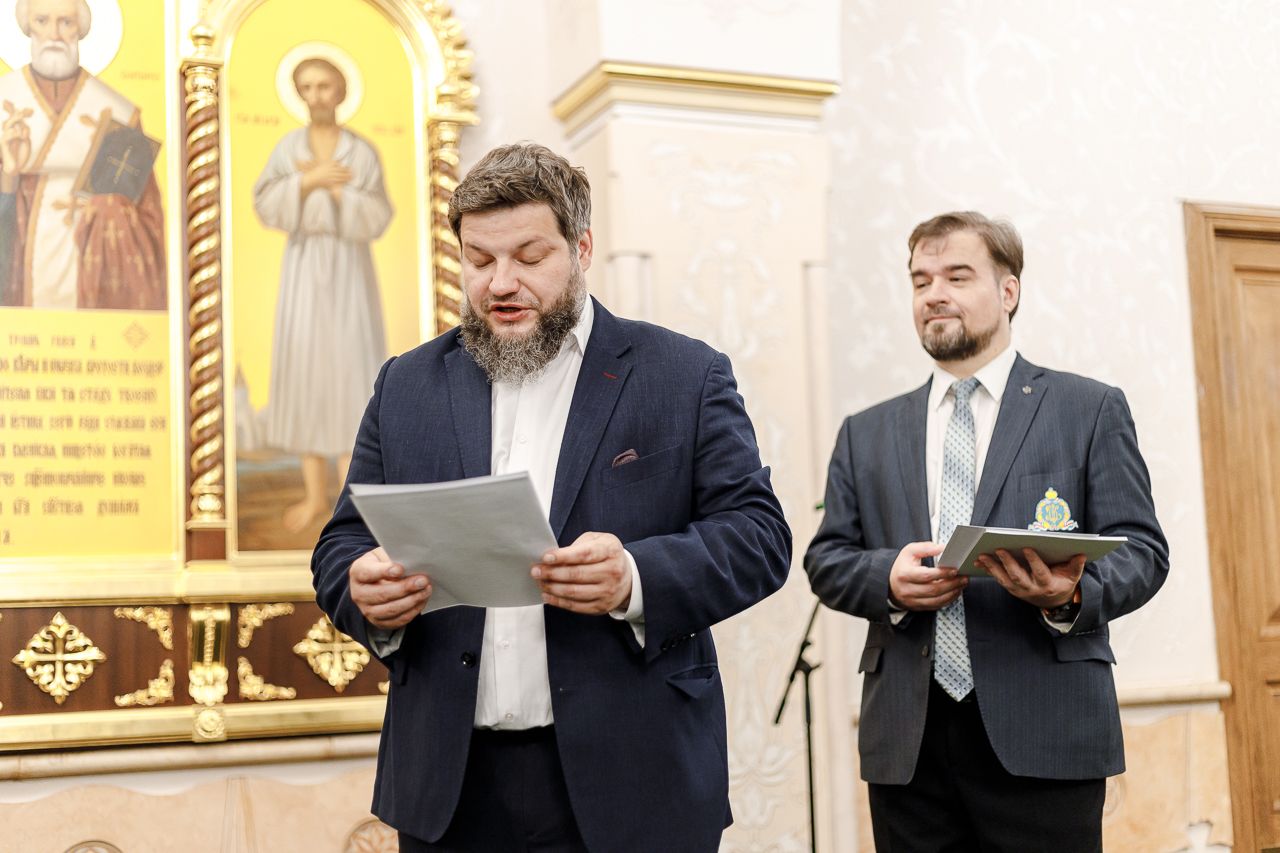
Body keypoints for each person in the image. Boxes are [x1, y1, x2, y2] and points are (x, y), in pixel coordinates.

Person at [311, 142, 791, 852]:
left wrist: (634, 577)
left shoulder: (682, 375)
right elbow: (341, 544)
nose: (501, 282)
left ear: (582, 248)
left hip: (634, 780)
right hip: (450, 789)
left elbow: (759, 536)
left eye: (529, 257)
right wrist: (360, 585)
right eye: (479, 260)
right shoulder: (406, 385)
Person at [804, 211, 1168, 851]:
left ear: (1008, 291)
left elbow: (1142, 551)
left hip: (1046, 731)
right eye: (920, 281)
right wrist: (887, 580)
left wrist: (1069, 595)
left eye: (957, 276)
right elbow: (827, 559)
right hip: (908, 744)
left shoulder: (1088, 409)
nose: (934, 294)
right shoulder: (866, 432)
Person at [253, 57, 392, 533]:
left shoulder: (361, 152)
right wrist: (308, 180)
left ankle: (352, 501)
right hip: (303, 269)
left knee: (351, 375)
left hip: (350, 270)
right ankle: (315, 498)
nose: (316, 96)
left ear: (340, 91)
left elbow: (378, 214)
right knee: (306, 375)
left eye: (324, 86)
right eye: (307, 87)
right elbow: (265, 202)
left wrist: (338, 193)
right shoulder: (288, 148)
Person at [0, 0, 166, 310]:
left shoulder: (120, 113)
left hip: (99, 278)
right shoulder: (4, 98)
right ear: (27, 27)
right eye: (42, 21)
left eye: (66, 22)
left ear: (81, 30)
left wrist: (110, 213)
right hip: (21, 280)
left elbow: (149, 217)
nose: (54, 34)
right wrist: (8, 176)